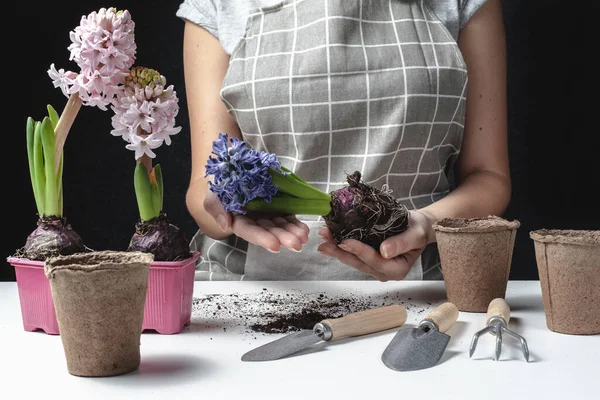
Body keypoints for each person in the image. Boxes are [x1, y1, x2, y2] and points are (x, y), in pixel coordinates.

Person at [176, 0, 510, 281]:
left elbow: (488, 177)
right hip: (246, 295)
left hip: (424, 290)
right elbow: (204, 185)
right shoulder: (221, 6)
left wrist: (427, 223)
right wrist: (223, 208)